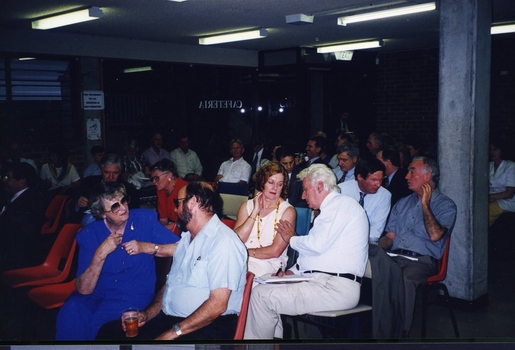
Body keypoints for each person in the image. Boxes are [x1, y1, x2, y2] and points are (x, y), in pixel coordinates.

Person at [97, 182, 247, 340]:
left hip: (208, 326)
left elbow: (217, 305)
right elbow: (170, 289)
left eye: (178, 203)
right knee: (108, 333)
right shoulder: (187, 239)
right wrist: (147, 314)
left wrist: (172, 333)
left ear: (192, 202)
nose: (175, 209)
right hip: (173, 321)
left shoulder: (223, 242)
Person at [244, 164, 369, 339]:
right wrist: (290, 272)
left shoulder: (342, 204)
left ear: (319, 186)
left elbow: (316, 245)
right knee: (264, 284)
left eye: (305, 190)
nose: (302, 196)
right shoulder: (329, 211)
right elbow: (313, 255)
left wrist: (291, 238)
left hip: (335, 287)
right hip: (319, 281)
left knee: (261, 296)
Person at [55, 182, 179, 340]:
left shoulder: (143, 220)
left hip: (131, 293)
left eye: (124, 200)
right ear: (102, 214)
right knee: (71, 311)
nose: (123, 207)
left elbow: (182, 248)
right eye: (115, 206)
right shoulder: (89, 234)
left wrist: (148, 247)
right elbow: (84, 289)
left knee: (97, 323)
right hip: (95, 293)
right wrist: (101, 253)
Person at [379, 156, 457, 337]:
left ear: (428, 175)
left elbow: (435, 235)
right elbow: (390, 237)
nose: (406, 176)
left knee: (406, 278)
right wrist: (377, 248)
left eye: (412, 171)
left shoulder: (446, 205)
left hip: (421, 261)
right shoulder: (402, 203)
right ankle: (373, 326)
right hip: (395, 256)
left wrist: (425, 205)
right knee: (370, 270)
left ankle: (400, 333)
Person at [234, 162, 296, 278]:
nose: (275, 188)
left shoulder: (287, 211)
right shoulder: (246, 206)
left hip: (269, 263)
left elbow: (275, 251)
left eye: (280, 184)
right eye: (271, 182)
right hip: (240, 258)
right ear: (262, 182)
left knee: (238, 275)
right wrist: (255, 211)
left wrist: (245, 252)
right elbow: (237, 240)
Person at [0, 162, 46, 272]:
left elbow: (10, 232)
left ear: (21, 181)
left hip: (15, 256)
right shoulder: (22, 196)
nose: (3, 180)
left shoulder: (27, 203)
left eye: (7, 177)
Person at [76, 153, 140, 225]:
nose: (111, 177)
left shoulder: (129, 190)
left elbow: (134, 215)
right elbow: (72, 210)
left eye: (115, 173)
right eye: (106, 172)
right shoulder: (88, 183)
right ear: (100, 170)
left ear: (121, 172)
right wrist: (79, 203)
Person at [338, 159, 391, 244]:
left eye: (380, 180)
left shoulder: (384, 196)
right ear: (360, 177)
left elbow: (375, 231)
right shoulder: (341, 190)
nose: (378, 184)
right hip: (338, 240)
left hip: (365, 243)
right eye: (373, 180)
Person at [150, 158, 188, 232]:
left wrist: (159, 230)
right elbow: (163, 220)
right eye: (152, 179)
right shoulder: (161, 191)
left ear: (169, 176)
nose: (154, 182)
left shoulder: (183, 189)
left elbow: (186, 222)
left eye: (156, 178)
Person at [488, 139, 515, 226]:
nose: (492, 152)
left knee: (488, 210)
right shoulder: (488, 166)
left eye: (495, 149)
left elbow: (509, 193)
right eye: (490, 149)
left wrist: (489, 197)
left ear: (502, 151)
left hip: (509, 201)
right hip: (493, 199)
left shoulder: (510, 166)